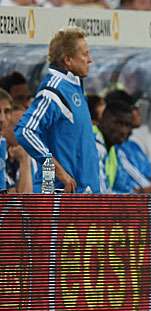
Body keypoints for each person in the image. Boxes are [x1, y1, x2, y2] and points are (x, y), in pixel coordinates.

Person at [15, 26, 99, 193]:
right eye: (85, 54)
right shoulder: (53, 91)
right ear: (68, 60)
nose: (90, 60)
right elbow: (24, 131)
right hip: (61, 196)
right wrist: (59, 173)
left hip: (84, 194)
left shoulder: (73, 86)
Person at [93, 100, 133, 193]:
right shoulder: (94, 145)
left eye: (127, 125)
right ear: (103, 119)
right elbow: (101, 197)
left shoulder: (112, 148)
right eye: (118, 123)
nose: (123, 131)